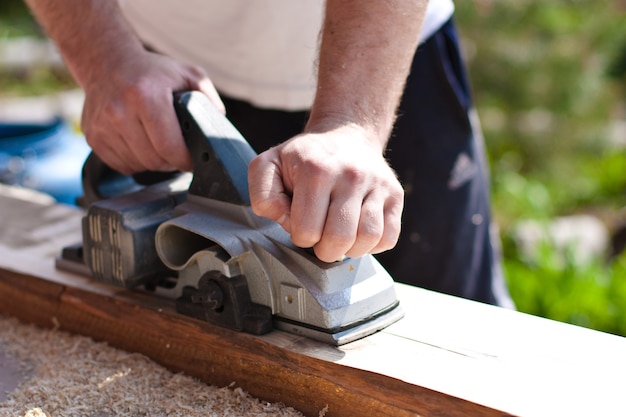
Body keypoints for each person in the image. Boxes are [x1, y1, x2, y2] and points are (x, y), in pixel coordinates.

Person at [24, 0, 513, 307]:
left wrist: (353, 124)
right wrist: (103, 56)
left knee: (460, 315)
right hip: (158, 67)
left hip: (383, 61)